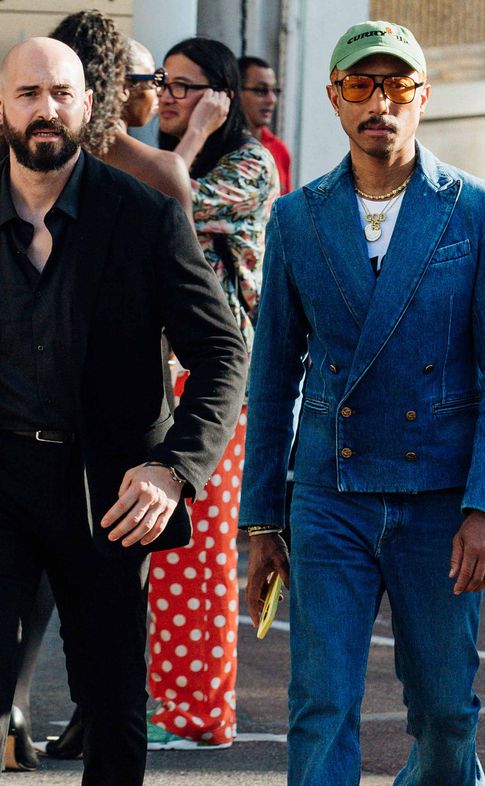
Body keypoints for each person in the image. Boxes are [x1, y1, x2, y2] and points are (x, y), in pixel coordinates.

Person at [240, 19, 485, 786]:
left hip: (443, 497)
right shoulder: (296, 217)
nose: (378, 103)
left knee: (445, 706)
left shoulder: (481, 213)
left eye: (395, 86)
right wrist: (263, 519)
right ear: (332, 98)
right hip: (329, 490)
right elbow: (271, 373)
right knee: (320, 700)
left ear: (423, 97)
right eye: (359, 86)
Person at [0, 36, 246, 786]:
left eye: (61, 93)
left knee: (111, 695)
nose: (46, 110)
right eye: (28, 93)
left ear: (86, 103)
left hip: (108, 490)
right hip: (4, 481)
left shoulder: (143, 217)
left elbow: (223, 352)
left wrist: (174, 467)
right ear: (4, 108)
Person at [19, 12, 197, 768]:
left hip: (93, 443)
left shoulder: (131, 188)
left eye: (58, 89)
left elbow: (197, 324)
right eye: (150, 80)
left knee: (62, 603)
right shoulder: (157, 172)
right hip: (97, 430)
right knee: (109, 624)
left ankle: (23, 706)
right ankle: (92, 711)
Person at [147, 37, 277, 750]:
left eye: (185, 86)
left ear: (221, 96)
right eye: (162, 83)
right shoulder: (167, 154)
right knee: (161, 548)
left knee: (196, 552)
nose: (166, 96)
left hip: (220, 382)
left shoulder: (249, 165)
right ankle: (166, 701)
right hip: (165, 375)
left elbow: (172, 203)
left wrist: (192, 137)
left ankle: (199, 713)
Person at [238, 55, 291, 194]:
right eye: (261, 91)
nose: (271, 99)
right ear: (236, 92)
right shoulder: (218, 146)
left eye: (275, 91)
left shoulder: (279, 149)